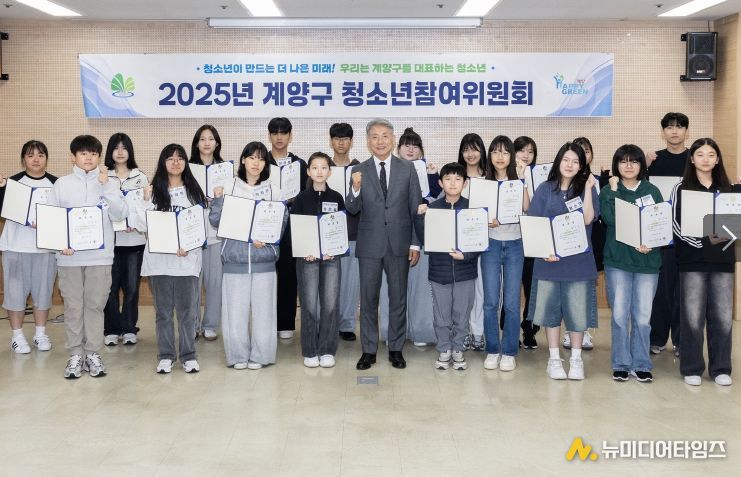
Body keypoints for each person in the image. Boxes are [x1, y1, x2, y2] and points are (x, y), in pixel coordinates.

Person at [345, 118, 423, 370]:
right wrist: (355, 189)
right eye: (375, 137)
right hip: (369, 244)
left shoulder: (407, 169)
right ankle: (368, 350)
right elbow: (352, 208)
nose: (380, 141)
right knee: (368, 299)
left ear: (393, 139)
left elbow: (415, 208)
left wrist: (415, 243)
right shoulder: (358, 170)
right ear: (368, 141)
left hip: (400, 243)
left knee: (398, 298)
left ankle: (396, 348)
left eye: (384, 136)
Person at [47, 135, 127, 378]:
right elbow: (52, 220)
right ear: (73, 157)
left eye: (93, 153)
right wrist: (60, 244)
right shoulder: (61, 184)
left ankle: (92, 353)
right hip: (69, 258)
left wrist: (106, 186)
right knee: (73, 307)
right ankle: (75, 354)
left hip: (100, 258)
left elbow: (120, 214)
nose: (88, 157)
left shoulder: (109, 182)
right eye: (83, 153)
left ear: (99, 157)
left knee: (94, 306)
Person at [209, 141, 286, 370]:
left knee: (264, 313)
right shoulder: (228, 186)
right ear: (243, 160)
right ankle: (237, 356)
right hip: (236, 260)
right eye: (252, 157)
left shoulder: (274, 190)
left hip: (264, 260)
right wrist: (218, 200)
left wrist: (268, 239)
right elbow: (215, 221)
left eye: (261, 159)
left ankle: (262, 356)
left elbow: (281, 222)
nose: (256, 163)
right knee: (235, 313)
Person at [526, 142, 599, 381]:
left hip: (579, 263)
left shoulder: (587, 188)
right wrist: (543, 251)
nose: (570, 165)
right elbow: (534, 224)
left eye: (576, 161)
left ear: (582, 166)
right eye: (566, 160)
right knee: (550, 313)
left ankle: (576, 359)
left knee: (577, 313)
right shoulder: (545, 189)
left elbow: (588, 219)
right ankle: (554, 359)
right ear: (558, 161)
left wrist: (588, 188)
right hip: (549, 261)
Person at [130, 144, 205, 374]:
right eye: (170, 158)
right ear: (163, 162)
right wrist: (145, 200)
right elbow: (141, 225)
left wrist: (188, 246)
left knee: (187, 313)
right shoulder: (152, 191)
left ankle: (188, 355)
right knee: (163, 313)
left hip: (186, 261)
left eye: (180, 158)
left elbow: (199, 228)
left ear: (185, 163)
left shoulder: (194, 192)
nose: (175, 162)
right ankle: (166, 355)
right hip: (159, 263)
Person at [672, 138, 739, 386]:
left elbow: (735, 226)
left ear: (718, 159)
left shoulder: (729, 189)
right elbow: (676, 225)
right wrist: (702, 242)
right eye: (700, 154)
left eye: (711, 155)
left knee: (722, 316)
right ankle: (691, 367)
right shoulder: (681, 188)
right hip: (692, 261)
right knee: (692, 316)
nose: (706, 159)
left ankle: (721, 368)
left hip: (723, 261)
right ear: (692, 159)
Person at [600, 145, 663, 382]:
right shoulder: (608, 190)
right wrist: (614, 190)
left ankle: (641, 363)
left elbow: (659, 223)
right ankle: (621, 363)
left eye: (634, 161)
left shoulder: (652, 190)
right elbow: (610, 218)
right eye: (623, 161)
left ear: (641, 165)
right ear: (616, 165)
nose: (628, 166)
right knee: (619, 316)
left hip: (647, 262)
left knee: (643, 317)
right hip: (618, 261)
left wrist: (651, 243)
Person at [414, 162, 479, 370]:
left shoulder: (472, 209)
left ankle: (458, 348)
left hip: (465, 272)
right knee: (441, 316)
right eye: (448, 179)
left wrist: (466, 255)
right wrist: (420, 217)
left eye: (458, 179)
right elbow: (425, 239)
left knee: (462, 314)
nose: (452, 183)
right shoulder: (432, 208)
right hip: (439, 272)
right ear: (441, 183)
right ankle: (443, 349)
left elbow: (479, 241)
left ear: (465, 183)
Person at [379, 127, 436, 347]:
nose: (411, 150)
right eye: (406, 145)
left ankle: (420, 331)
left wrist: (433, 180)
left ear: (421, 151)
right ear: (398, 148)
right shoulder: (387, 170)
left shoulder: (430, 173)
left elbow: (439, 201)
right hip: (393, 237)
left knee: (420, 288)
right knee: (391, 287)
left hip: (422, 237)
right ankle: (391, 331)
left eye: (415, 146)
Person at [0, 141, 58, 354]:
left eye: (41, 155)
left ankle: (40, 334)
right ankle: (17, 336)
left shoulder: (56, 183)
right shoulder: (12, 183)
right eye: (30, 155)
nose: (36, 159)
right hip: (15, 246)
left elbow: (62, 215)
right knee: (14, 293)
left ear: (46, 159)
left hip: (45, 249)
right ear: (23, 158)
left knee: (43, 292)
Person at [480, 136, 529, 371]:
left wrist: (521, 180)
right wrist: (485, 221)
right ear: (489, 155)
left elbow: (527, 207)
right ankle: (492, 349)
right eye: (495, 152)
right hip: (490, 244)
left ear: (512, 156)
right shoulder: (483, 183)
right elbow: (474, 216)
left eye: (505, 152)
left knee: (511, 302)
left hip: (515, 244)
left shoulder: (518, 180)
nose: (500, 157)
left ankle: (509, 351)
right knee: (490, 301)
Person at [292, 152, 345, 368]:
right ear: (308, 171)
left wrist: (335, 248)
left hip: (331, 258)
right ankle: (310, 350)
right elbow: (296, 229)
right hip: (308, 258)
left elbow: (340, 228)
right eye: (315, 167)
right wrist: (306, 249)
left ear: (330, 172)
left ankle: (327, 350)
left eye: (324, 167)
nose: (319, 171)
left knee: (330, 305)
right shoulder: (300, 199)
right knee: (309, 305)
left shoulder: (337, 197)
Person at [647, 112, 690, 357]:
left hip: (689, 236)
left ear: (686, 131)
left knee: (685, 291)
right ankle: (657, 338)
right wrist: (644, 163)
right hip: (660, 236)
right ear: (662, 132)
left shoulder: (694, 159)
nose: (675, 131)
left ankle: (682, 341)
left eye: (680, 127)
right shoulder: (653, 160)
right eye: (670, 127)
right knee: (660, 290)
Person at [561, 136, 607, 351]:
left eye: (586, 151)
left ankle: (584, 330)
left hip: (590, 239)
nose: (582, 155)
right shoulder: (560, 182)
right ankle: (569, 331)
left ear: (590, 155)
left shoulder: (595, 180)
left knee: (587, 287)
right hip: (565, 240)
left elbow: (596, 213)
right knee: (567, 288)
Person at [103, 133, 149, 346]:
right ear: (110, 151)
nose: (120, 152)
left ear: (130, 151)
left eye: (124, 148)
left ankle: (129, 327)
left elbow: (145, 207)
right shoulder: (103, 177)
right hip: (110, 242)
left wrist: (136, 222)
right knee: (110, 288)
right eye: (116, 148)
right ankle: (112, 328)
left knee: (131, 288)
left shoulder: (141, 177)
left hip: (134, 241)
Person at [267, 117, 308, 339]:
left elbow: (307, 195)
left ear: (290, 136)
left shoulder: (299, 165)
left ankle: (285, 323)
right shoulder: (260, 161)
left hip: (290, 227)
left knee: (288, 275)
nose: (279, 137)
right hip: (266, 224)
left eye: (283, 133)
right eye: (275, 133)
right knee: (265, 276)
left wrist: (295, 199)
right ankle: (265, 322)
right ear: (269, 136)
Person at [189, 125, 225, 341]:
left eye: (211, 138)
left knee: (214, 283)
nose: (207, 143)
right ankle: (193, 324)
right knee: (193, 283)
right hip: (192, 234)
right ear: (196, 143)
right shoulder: (187, 169)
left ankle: (210, 324)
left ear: (217, 143)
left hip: (215, 235)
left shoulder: (225, 170)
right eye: (202, 139)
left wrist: (219, 199)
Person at [329, 122, 361, 342]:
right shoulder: (322, 166)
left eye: (345, 138)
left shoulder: (361, 168)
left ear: (351, 141)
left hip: (353, 232)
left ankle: (347, 324)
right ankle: (328, 322)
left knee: (350, 281)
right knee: (328, 281)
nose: (341, 143)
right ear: (331, 141)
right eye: (337, 138)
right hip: (328, 234)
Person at [459, 133, 488, 352]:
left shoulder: (489, 179)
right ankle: (465, 331)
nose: (470, 154)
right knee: (464, 290)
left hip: (486, 242)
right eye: (466, 149)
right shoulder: (456, 177)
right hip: (461, 243)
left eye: (474, 149)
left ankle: (478, 332)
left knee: (482, 289)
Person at [513, 136, 539, 349]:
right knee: (511, 288)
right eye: (522, 150)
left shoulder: (541, 175)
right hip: (511, 237)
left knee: (532, 287)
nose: (526, 155)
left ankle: (529, 329)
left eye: (530, 152)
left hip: (533, 238)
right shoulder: (506, 174)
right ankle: (510, 331)